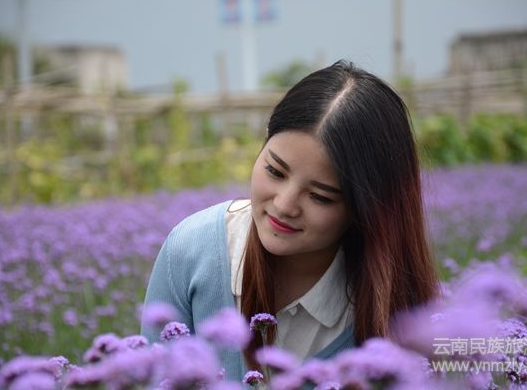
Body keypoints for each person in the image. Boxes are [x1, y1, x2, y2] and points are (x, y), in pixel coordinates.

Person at [141, 60, 439, 380]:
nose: (284, 206)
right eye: (274, 171)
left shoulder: (392, 308)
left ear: (366, 210)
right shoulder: (191, 250)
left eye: (320, 196)